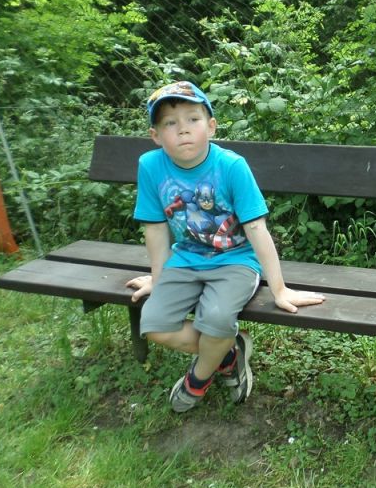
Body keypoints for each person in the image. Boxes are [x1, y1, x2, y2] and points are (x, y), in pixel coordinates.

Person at [125, 80, 324, 413]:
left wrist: (279, 289)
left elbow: (256, 228)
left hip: (236, 261)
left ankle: (197, 380)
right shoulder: (151, 166)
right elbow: (156, 229)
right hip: (186, 258)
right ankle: (229, 352)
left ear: (211, 126)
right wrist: (157, 280)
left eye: (193, 119)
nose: (183, 130)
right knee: (154, 325)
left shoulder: (231, 166)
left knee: (216, 319)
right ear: (156, 136)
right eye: (170, 123)